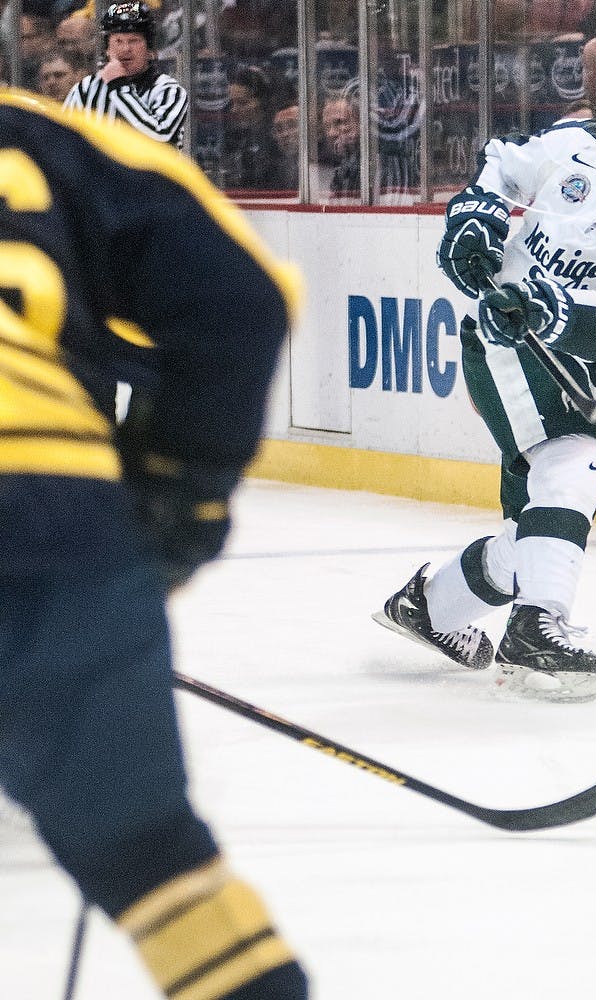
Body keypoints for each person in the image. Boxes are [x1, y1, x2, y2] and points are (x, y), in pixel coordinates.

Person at [0, 88, 307, 999]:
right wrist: (180, 497)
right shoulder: (52, 139)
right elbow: (243, 303)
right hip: (51, 511)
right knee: (151, 860)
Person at [374, 87, 596, 703]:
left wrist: (540, 304)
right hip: (503, 347)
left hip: (591, 382)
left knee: (534, 538)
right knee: (576, 468)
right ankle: (537, 628)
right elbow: (504, 163)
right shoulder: (580, 146)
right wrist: (477, 215)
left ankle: (426, 608)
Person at [63, 1, 189, 149]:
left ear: (150, 50)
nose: (125, 48)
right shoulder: (85, 90)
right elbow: (65, 143)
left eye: (133, 41)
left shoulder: (169, 91)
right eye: (118, 41)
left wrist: (119, 86)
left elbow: (160, 136)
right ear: (107, 50)